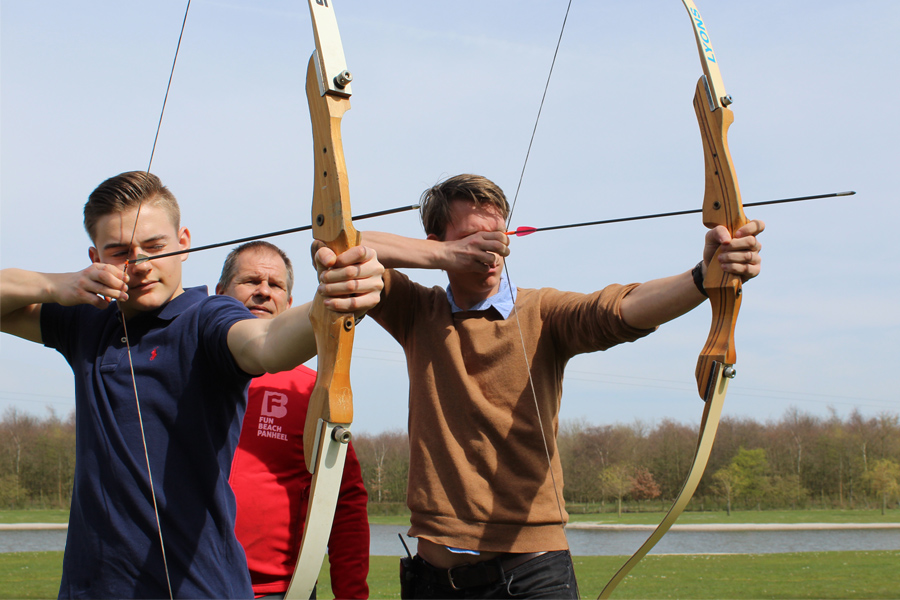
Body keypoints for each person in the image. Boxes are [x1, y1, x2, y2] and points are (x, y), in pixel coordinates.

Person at [359, 174, 765, 599]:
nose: (491, 251)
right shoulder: (416, 310)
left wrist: (703, 277)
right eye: (472, 239)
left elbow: (619, 310)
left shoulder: (543, 312)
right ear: (436, 242)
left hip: (532, 577)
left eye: (498, 236)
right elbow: (340, 246)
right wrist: (443, 255)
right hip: (434, 580)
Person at [0, 171, 383, 599]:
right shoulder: (87, 321)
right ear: (95, 256)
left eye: (155, 246)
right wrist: (55, 285)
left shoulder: (207, 318)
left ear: (183, 242)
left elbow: (265, 342)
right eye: (120, 252)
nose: (140, 264)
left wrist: (336, 299)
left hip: (199, 588)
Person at [217, 241, 369, 599]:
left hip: (279, 591)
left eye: (275, 285)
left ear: (289, 304)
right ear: (220, 293)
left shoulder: (313, 391)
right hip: (183, 584)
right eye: (250, 281)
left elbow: (343, 500)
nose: (263, 292)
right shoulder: (182, 373)